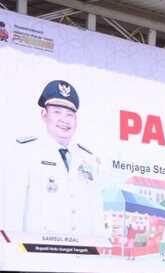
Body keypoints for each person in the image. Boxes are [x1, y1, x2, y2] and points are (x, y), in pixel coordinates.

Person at [5, 80, 105, 240]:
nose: (64, 120)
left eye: (69, 115)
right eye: (57, 112)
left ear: (76, 119)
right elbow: (11, 210)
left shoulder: (88, 159)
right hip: (38, 255)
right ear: (44, 115)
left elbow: (96, 213)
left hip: (82, 256)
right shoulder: (25, 152)